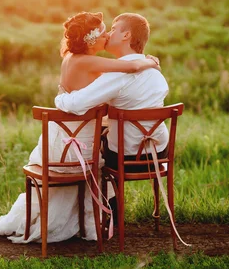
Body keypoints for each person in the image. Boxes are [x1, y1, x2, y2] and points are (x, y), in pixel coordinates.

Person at [0, 12, 160, 243]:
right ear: (91, 39)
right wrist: (151, 62)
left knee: (100, 159)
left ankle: (92, 222)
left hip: (59, 144)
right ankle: (95, 223)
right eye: (103, 31)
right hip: (77, 150)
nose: (106, 35)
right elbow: (132, 67)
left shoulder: (71, 58)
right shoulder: (88, 61)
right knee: (101, 164)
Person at [55, 12, 170, 224]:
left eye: (114, 29)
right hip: (159, 153)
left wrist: (60, 98)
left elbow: (76, 104)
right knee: (104, 134)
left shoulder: (115, 76)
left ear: (126, 35)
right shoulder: (156, 74)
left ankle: (102, 209)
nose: (108, 34)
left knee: (95, 148)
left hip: (125, 158)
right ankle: (109, 208)